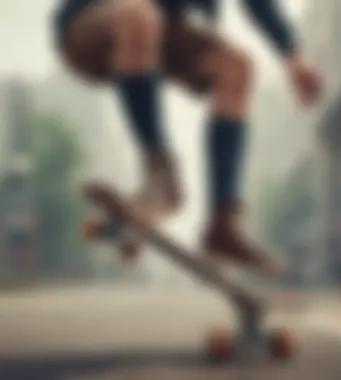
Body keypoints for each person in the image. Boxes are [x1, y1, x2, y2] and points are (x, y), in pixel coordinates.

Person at [52, 0, 321, 274]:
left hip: (164, 25)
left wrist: (292, 55)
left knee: (237, 67)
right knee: (137, 16)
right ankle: (160, 176)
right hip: (88, 21)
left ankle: (222, 225)